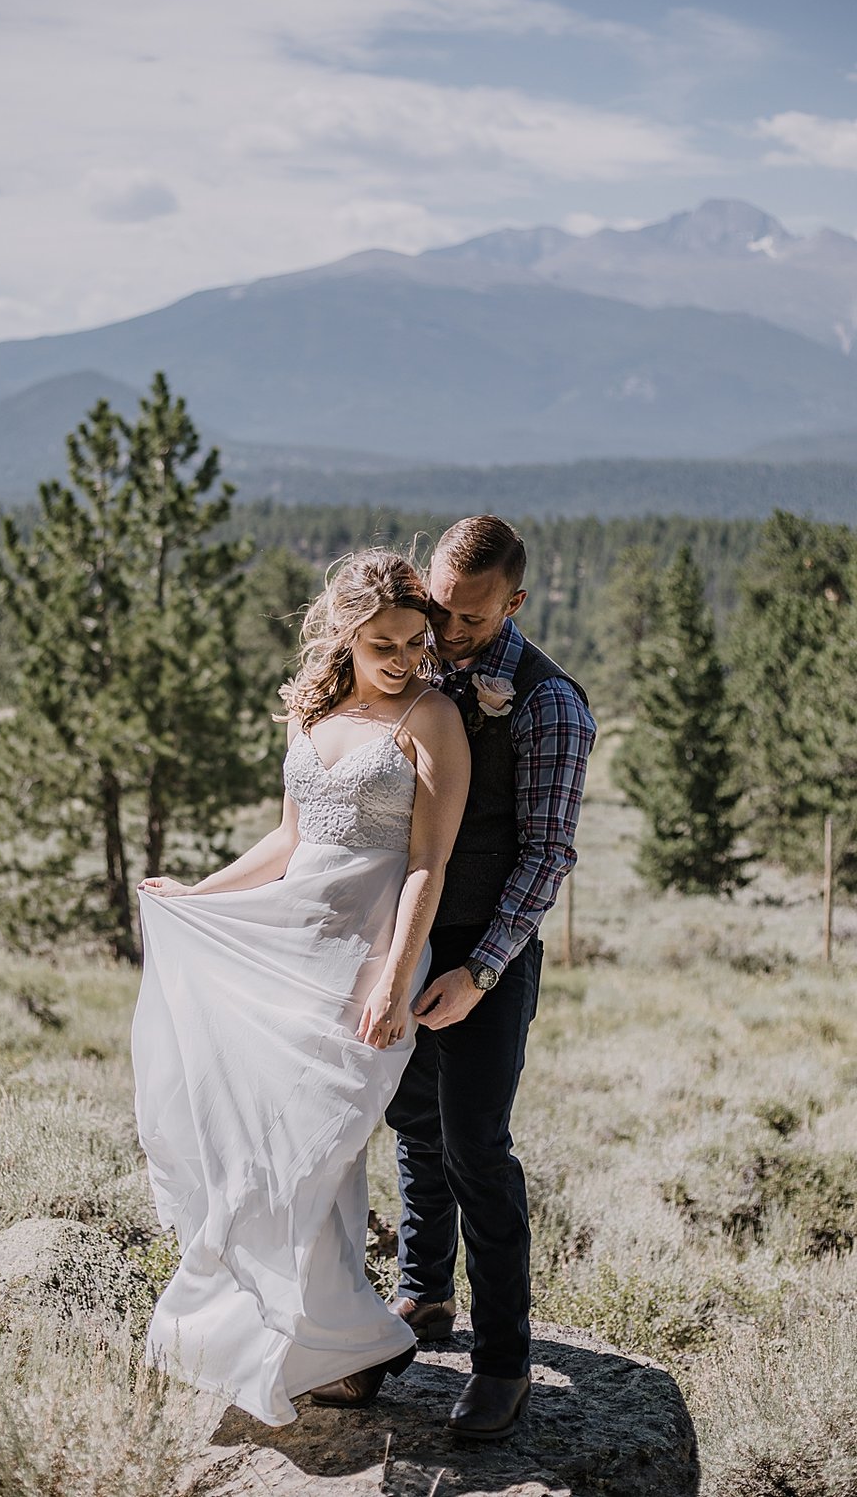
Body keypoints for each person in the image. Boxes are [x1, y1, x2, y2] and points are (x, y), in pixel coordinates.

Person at [131, 549, 470, 1428]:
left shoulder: (433, 718)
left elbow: (428, 862)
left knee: (323, 1144)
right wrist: (200, 895)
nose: (403, 659)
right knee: (261, 1141)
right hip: (289, 938)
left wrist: (396, 979)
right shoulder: (312, 711)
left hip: (366, 951)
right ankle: (287, 1335)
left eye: (414, 640)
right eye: (383, 644)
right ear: (344, 638)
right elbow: (288, 843)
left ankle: (337, 1336)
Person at [380, 515, 597, 1440]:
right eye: (439, 606)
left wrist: (477, 969)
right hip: (408, 938)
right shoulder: (418, 658)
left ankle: (503, 1358)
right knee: (409, 1119)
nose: (447, 628)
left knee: (475, 1143)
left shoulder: (550, 703)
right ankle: (424, 1294)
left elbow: (547, 856)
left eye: (470, 618)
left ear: (513, 602)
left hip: (486, 954)